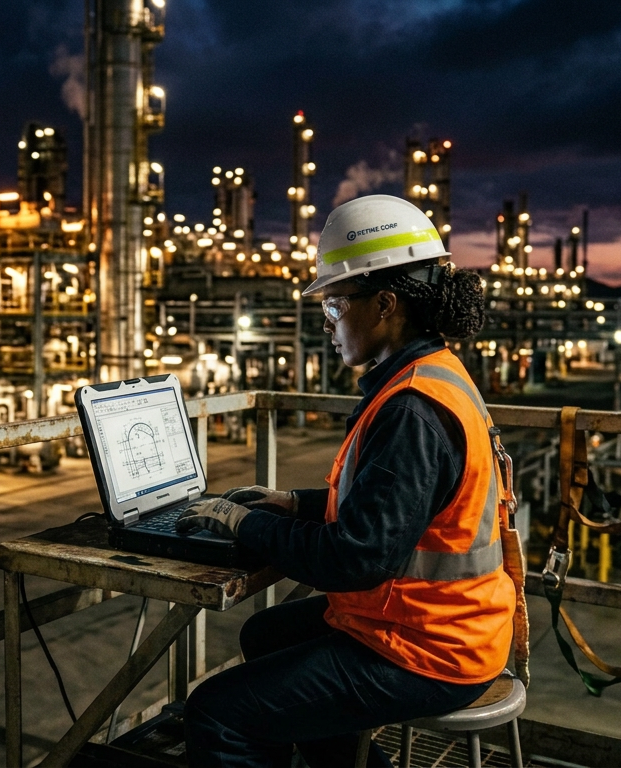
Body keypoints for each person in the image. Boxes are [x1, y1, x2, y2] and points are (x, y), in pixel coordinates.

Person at [175, 194, 517, 768]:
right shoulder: (430, 374)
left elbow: (352, 561)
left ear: (384, 303)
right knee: (266, 637)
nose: (329, 324)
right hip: (443, 623)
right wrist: (290, 504)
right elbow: (390, 510)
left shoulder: (411, 408)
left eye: (335, 305)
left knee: (216, 711)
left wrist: (244, 522)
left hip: (428, 647)